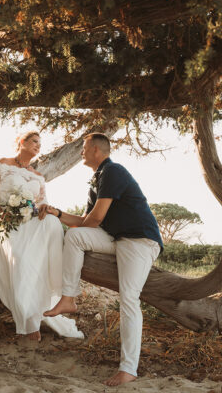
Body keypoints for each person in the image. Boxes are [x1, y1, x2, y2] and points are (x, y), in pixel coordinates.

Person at [42, 133, 163, 386]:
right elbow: (85, 223)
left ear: (96, 150)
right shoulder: (96, 180)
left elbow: (95, 219)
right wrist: (58, 213)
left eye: (84, 148)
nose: (81, 152)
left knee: (129, 299)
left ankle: (128, 369)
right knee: (75, 237)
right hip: (116, 238)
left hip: (139, 240)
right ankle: (68, 298)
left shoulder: (113, 171)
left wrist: (75, 220)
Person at [0, 131, 83, 341]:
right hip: (5, 221)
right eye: (34, 141)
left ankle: (59, 290)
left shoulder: (38, 176)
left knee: (53, 222)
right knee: (20, 260)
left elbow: (42, 202)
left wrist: (44, 208)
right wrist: (2, 214)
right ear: (21, 142)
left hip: (28, 221)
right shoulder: (3, 163)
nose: (38, 146)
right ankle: (28, 323)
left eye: (40, 143)